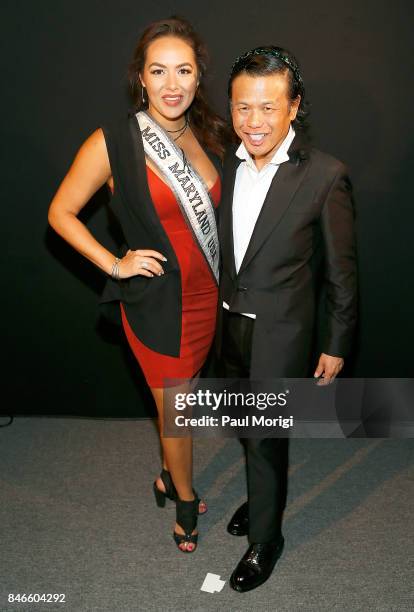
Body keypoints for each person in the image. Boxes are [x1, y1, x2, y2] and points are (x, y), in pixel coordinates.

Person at [47, 16, 228, 553]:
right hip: (157, 306)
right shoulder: (114, 141)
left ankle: (169, 477)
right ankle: (186, 503)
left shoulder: (206, 131)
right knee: (177, 415)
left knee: (184, 402)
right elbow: (61, 212)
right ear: (140, 79)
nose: (172, 84)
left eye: (184, 71)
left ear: (198, 78)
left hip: (206, 300)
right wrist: (113, 263)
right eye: (159, 71)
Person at [216, 46, 357, 591]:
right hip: (232, 325)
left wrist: (337, 339)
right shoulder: (224, 163)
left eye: (269, 108)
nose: (254, 122)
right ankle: (260, 501)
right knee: (245, 428)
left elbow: (342, 272)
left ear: (294, 107)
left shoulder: (325, 176)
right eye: (242, 108)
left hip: (281, 333)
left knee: (267, 437)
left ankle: (266, 539)